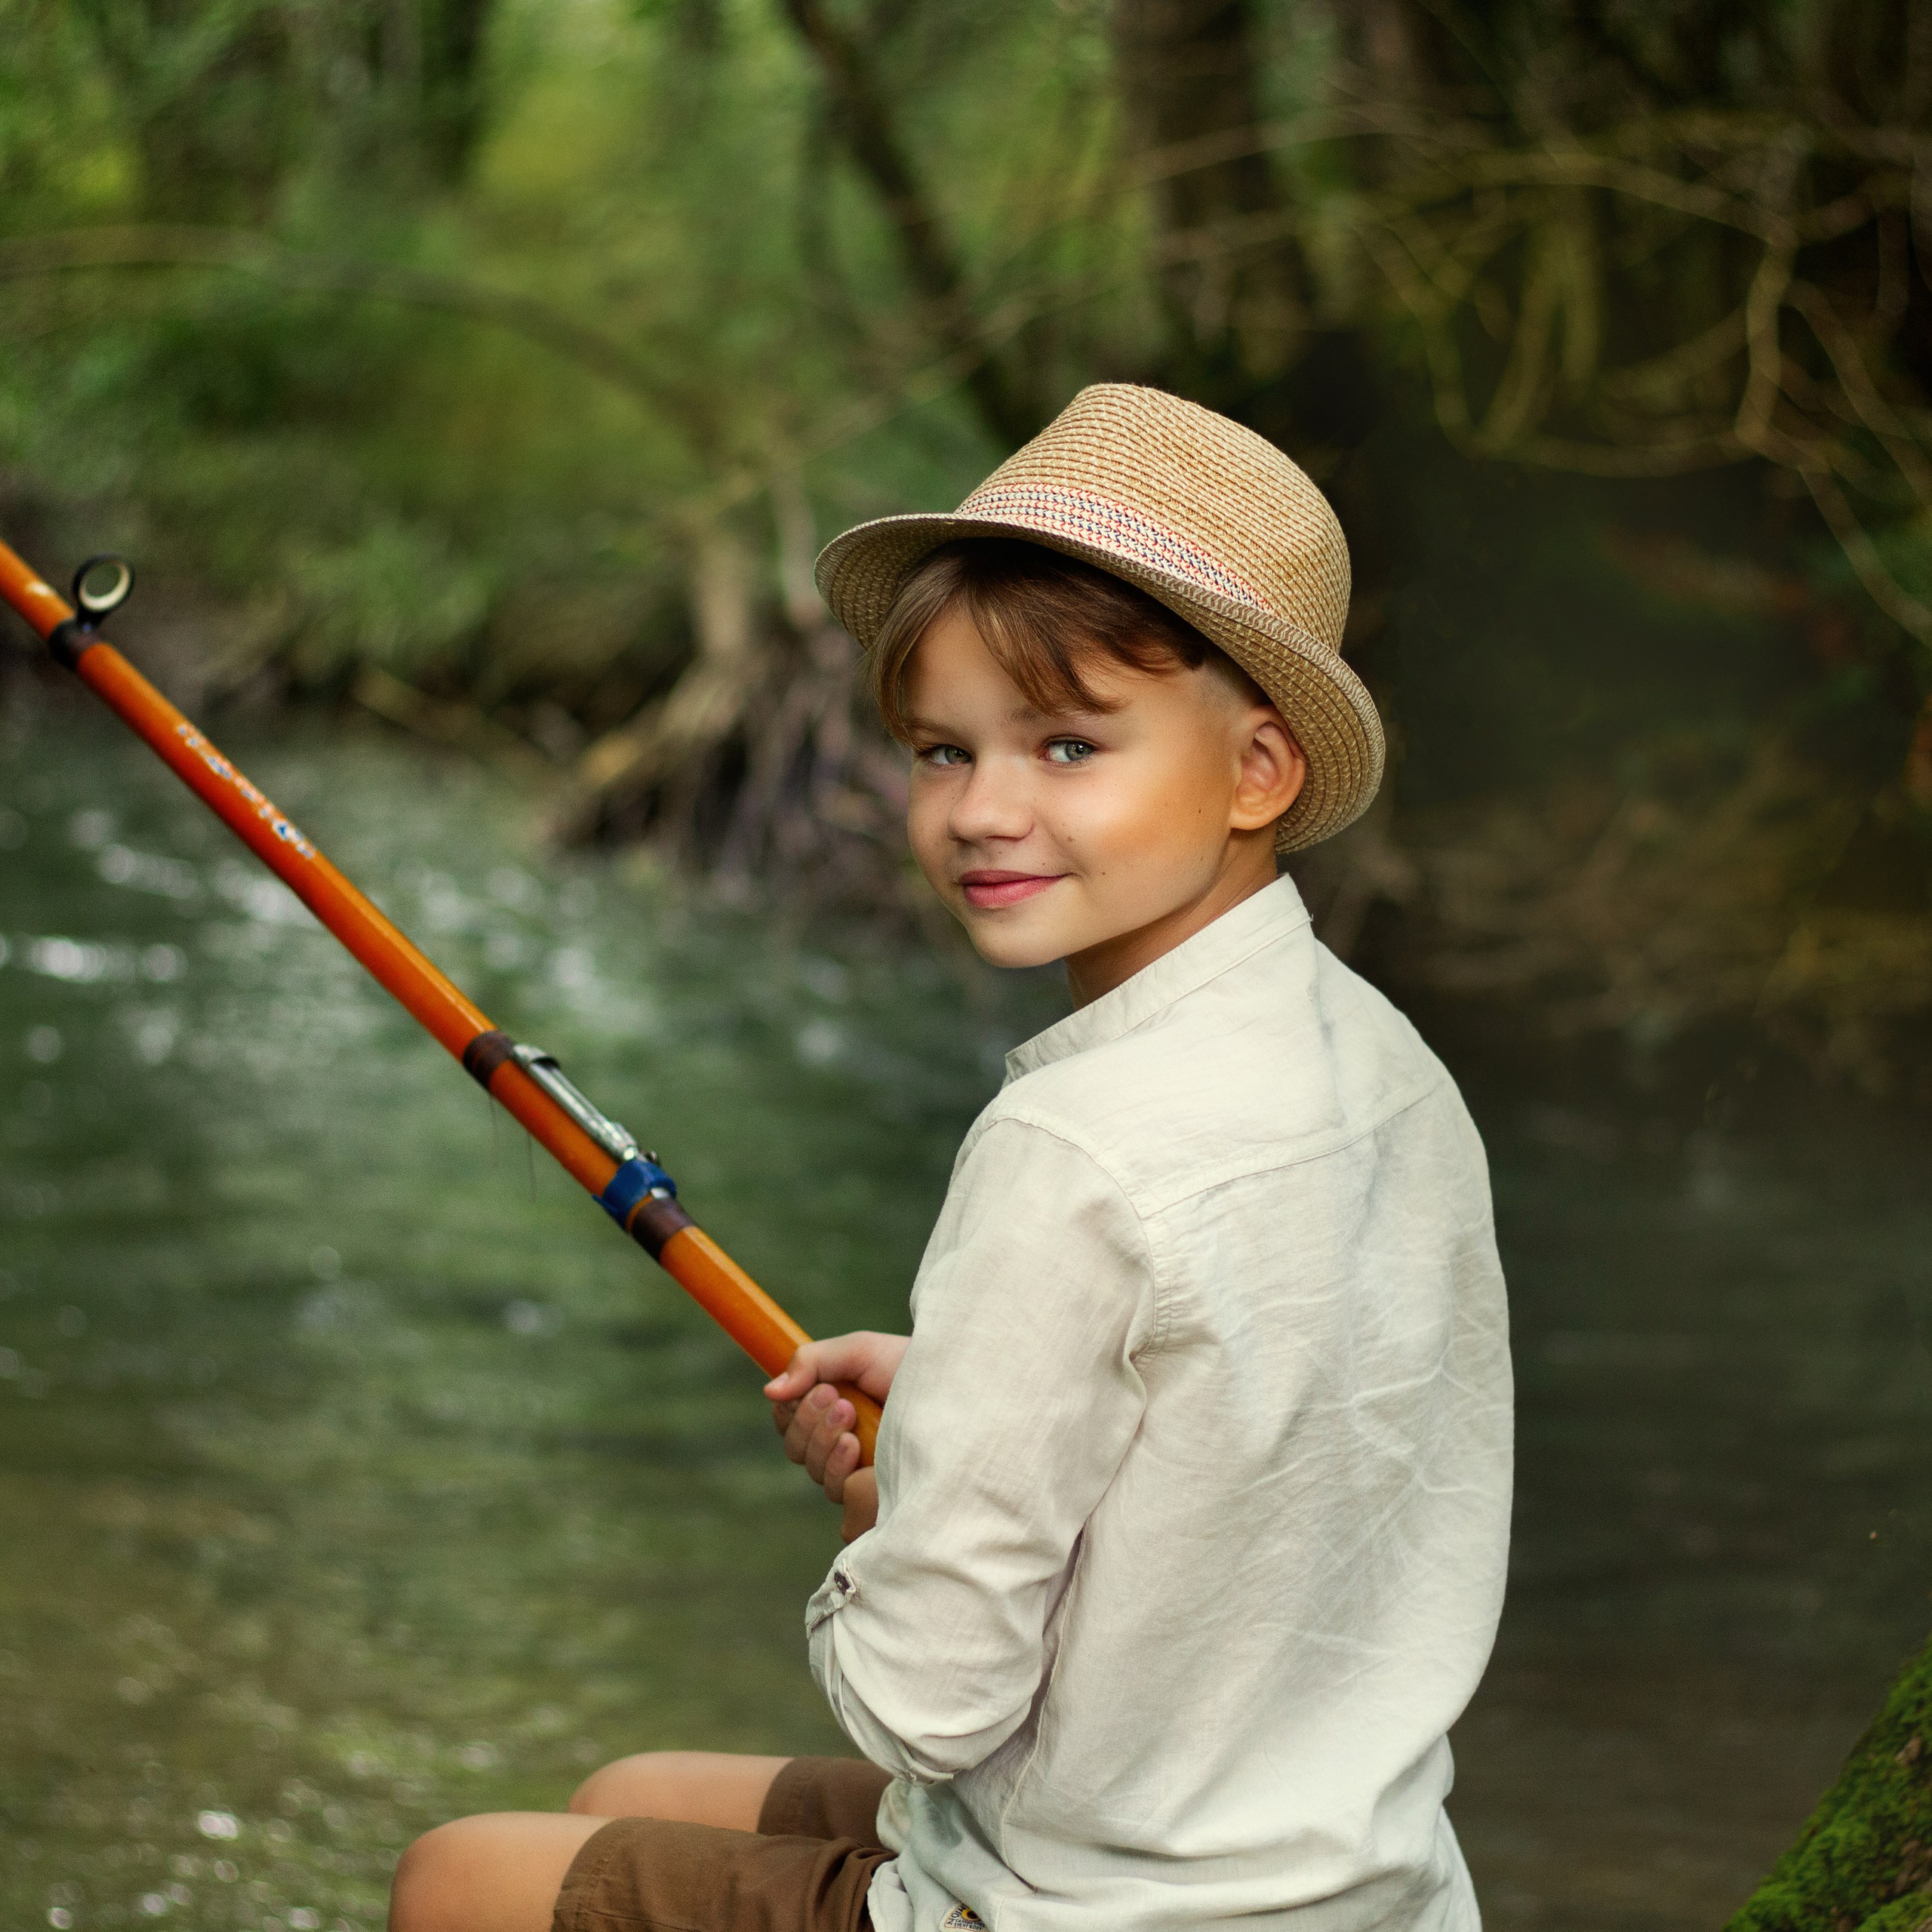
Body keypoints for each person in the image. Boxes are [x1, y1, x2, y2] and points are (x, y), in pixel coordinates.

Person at [389, 383, 1512, 1932]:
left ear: (1259, 771)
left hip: (1095, 1899)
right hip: (1337, 1878)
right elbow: (1259, 1435)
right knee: (618, 1795)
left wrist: (891, 1519)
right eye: (939, 749)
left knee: (456, 1877)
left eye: (1064, 743)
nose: (984, 810)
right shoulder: (1387, 1066)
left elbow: (924, 1705)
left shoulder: (1067, 1144)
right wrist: (970, 1406)